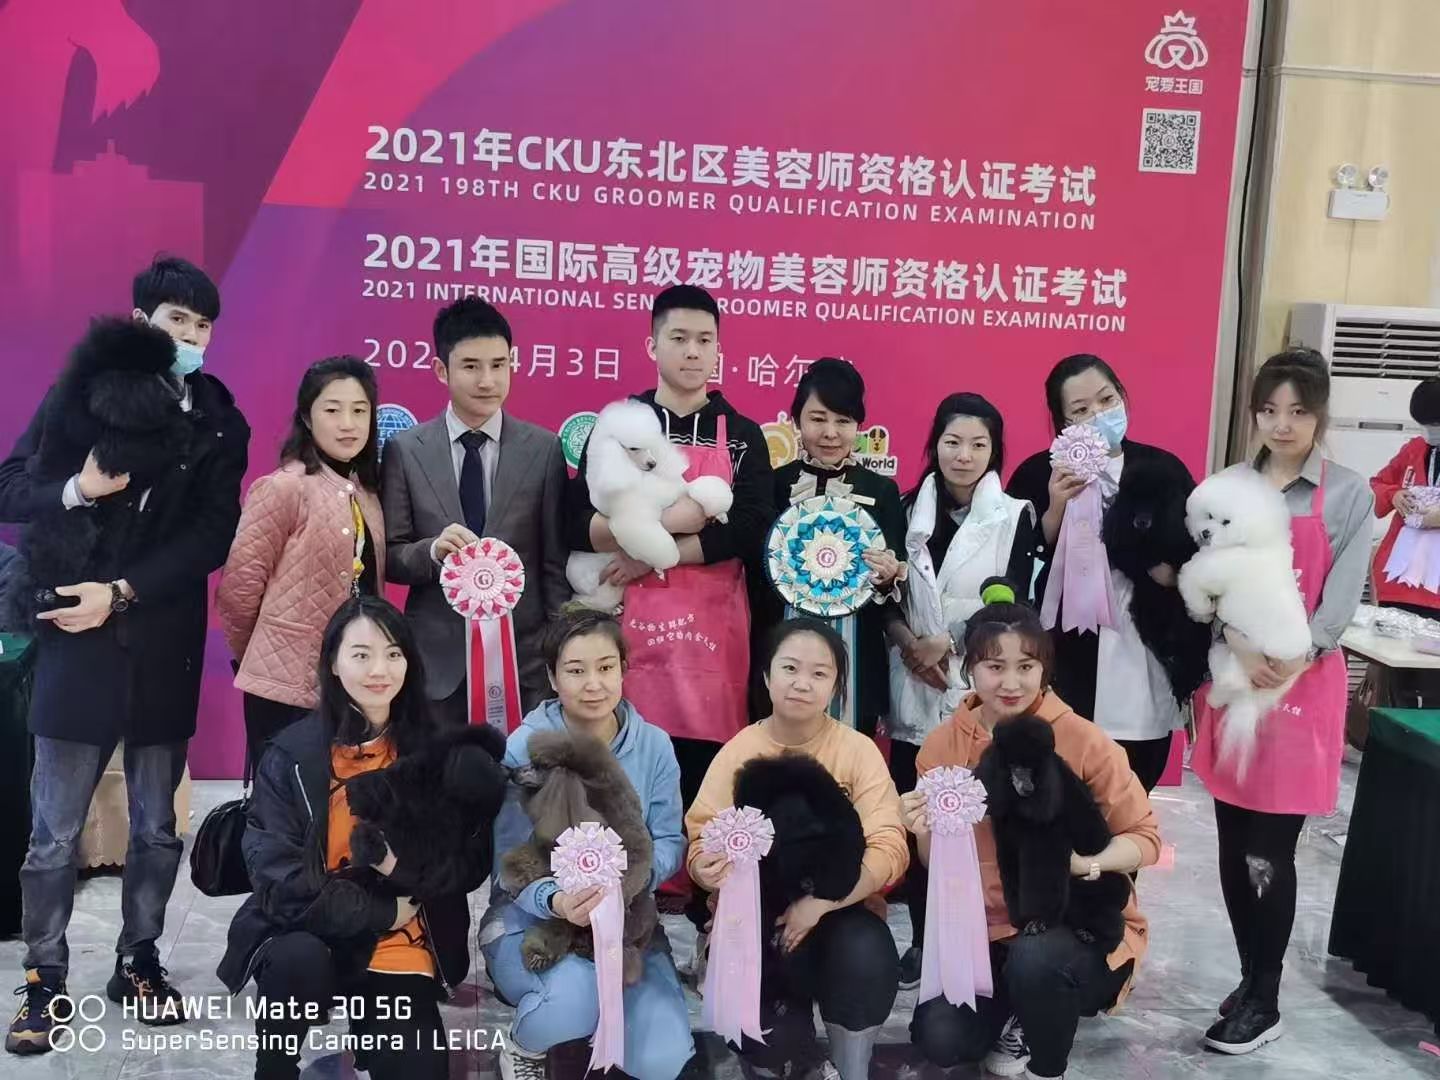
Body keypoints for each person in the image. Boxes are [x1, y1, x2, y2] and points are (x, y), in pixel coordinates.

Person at [1, 256, 250, 1055]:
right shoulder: (78, 391)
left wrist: (124, 591)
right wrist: (78, 490)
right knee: (53, 830)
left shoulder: (219, 417)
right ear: (141, 320)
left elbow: (212, 534)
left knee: (157, 829)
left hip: (162, 639)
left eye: (203, 326)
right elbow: (10, 486)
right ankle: (43, 977)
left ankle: (138, 959)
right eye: (177, 321)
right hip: (74, 638)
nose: (191, 337)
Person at [903, 579, 1160, 1080]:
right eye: (994, 666)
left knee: (1037, 961)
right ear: (969, 669)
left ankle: (1046, 1059)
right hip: (980, 933)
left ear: (1044, 669)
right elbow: (935, 862)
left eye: (1026, 666)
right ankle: (1017, 1003)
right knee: (942, 1039)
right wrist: (921, 830)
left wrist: (1083, 864)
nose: (1011, 683)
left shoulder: (1085, 739)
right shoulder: (940, 746)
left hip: (1073, 923)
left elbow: (1145, 839)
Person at [1190, 349, 1372, 1055]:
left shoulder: (1348, 493)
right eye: (1269, 410)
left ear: (1319, 413)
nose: (1282, 424)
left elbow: (1342, 594)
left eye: (1297, 411)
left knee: (1269, 850)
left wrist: (1300, 654)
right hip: (1235, 682)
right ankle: (1250, 976)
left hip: (1302, 687)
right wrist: (1237, 641)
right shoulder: (1230, 486)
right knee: (1233, 845)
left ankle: (1265, 1000)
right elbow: (1208, 577)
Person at [217, 596, 480, 1080]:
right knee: (297, 962)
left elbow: (463, 864)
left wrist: (407, 873)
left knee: (417, 1068)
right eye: (361, 655)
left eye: (394, 654)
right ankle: (274, 1065)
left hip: (399, 941)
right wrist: (377, 910)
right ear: (334, 665)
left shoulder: (435, 753)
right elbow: (276, 878)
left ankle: (374, 1036)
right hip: (308, 928)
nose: (379, 670)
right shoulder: (291, 755)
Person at [565, 285, 773, 827]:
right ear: (652, 345)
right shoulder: (617, 428)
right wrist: (648, 536)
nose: (693, 351)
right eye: (679, 338)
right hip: (626, 628)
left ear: (719, 349)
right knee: (622, 770)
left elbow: (749, 529)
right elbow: (575, 520)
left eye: (705, 340)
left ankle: (702, 866)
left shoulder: (743, 436)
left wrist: (653, 555)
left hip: (712, 637)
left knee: (707, 783)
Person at [687, 619, 908, 1080]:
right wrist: (705, 868)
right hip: (757, 923)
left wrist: (821, 903)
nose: (802, 683)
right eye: (789, 668)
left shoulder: (857, 751)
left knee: (863, 956)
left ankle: (850, 1068)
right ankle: (783, 1055)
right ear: (766, 676)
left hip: (843, 910)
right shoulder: (738, 751)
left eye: (819, 673)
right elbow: (702, 833)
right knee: (769, 1044)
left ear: (836, 686)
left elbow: (889, 847)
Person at [480, 608, 693, 1080]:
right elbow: (507, 862)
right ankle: (524, 1047)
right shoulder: (525, 749)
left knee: (661, 1059)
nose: (593, 684)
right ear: (553, 678)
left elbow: (668, 840)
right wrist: (556, 899)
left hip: (629, 922)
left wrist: (627, 881)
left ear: (624, 669)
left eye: (606, 667)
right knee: (571, 1003)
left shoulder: (654, 745)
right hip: (534, 920)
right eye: (576, 671)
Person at [887, 393, 1037, 989]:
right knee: (923, 821)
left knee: (982, 821)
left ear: (994, 450)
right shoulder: (905, 509)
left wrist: (945, 643)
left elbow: (1013, 597)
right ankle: (923, 942)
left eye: (978, 444)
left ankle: (987, 939)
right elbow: (884, 595)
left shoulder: (1016, 515)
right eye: (952, 442)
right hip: (912, 681)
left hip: (978, 684)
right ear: (935, 445)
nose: (964, 455)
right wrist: (910, 644)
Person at [1007, 354, 1195, 792]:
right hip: (1066, 652)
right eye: (1081, 409)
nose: (1098, 414)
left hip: (1144, 649)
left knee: (1134, 784)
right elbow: (1017, 563)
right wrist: (1056, 508)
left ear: (1123, 396)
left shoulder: (1162, 469)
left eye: (1107, 400)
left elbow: (1195, 553)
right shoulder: (1037, 473)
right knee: (1062, 784)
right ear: (1062, 422)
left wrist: (1170, 573)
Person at [381, 297, 570, 724]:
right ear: (441, 369)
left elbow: (554, 564)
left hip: (523, 664)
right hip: (436, 666)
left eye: (499, 365)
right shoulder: (406, 451)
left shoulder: (543, 450)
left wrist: (556, 649)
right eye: (470, 366)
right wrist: (432, 551)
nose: (487, 380)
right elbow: (389, 555)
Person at [218, 356, 384, 770]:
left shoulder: (368, 493)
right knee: (283, 799)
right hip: (283, 690)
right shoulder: (282, 488)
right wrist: (266, 655)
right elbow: (238, 591)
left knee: (345, 799)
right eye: (333, 410)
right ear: (307, 418)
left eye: (359, 410)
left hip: (352, 684)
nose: (348, 423)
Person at [763, 357, 907, 733]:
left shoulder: (882, 490)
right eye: (818, 418)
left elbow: (895, 580)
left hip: (857, 658)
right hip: (779, 646)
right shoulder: (773, 484)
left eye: (843, 421)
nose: (830, 433)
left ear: (858, 426)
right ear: (796, 420)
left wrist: (887, 577)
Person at [1370, 375, 1440, 617]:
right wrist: (1394, 495)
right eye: (1424, 424)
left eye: (1436, 424)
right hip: (1400, 580)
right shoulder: (1414, 448)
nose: (1430, 432)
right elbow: (1378, 484)